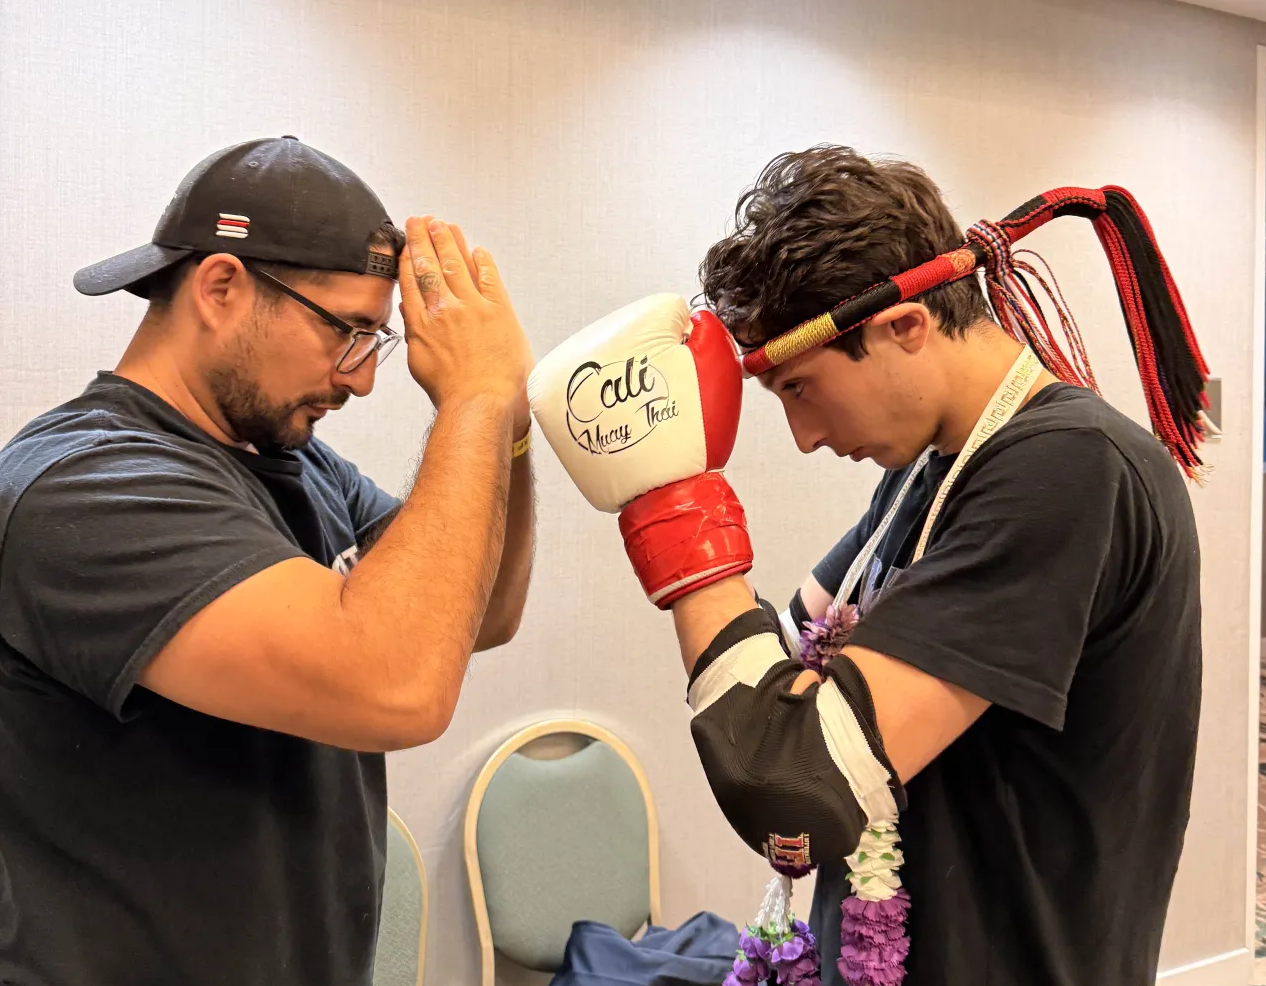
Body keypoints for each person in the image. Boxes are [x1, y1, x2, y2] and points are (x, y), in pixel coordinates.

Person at [527, 146, 1204, 986]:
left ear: (906, 326)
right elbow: (776, 670)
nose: (804, 438)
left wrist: (676, 510)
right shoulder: (928, 469)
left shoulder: (1069, 469)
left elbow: (791, 782)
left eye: (800, 389)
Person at [0, 136, 535, 985]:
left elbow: (482, 612)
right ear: (220, 287)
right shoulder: (87, 488)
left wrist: (504, 419)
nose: (360, 380)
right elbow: (398, 683)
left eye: (375, 339)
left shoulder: (296, 464)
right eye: (348, 331)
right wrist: (469, 398)